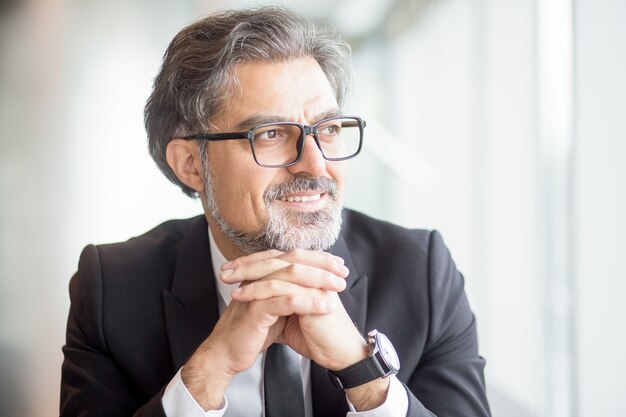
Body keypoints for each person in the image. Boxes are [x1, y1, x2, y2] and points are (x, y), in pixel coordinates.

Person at [60, 6, 490, 417]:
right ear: (191, 164)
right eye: (269, 134)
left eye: (329, 129)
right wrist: (208, 372)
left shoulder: (421, 272)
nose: (316, 164)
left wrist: (363, 372)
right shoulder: (111, 288)